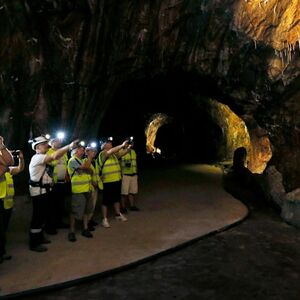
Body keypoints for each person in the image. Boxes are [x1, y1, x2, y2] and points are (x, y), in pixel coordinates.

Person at [28, 135, 78, 252]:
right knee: (37, 217)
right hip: (38, 192)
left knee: (41, 216)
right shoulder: (37, 157)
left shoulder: (41, 156)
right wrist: (69, 146)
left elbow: (56, 156)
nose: (47, 145)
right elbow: (55, 155)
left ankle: (39, 238)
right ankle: (34, 242)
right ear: (38, 147)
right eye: (45, 144)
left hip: (43, 191)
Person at [97, 137, 130, 228]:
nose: (111, 144)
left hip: (116, 180)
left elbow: (123, 153)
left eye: (111, 143)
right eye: (109, 143)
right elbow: (110, 152)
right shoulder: (102, 154)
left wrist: (128, 147)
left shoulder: (114, 154)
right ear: (104, 146)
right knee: (106, 201)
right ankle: (104, 219)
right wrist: (122, 145)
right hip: (107, 181)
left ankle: (118, 214)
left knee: (116, 198)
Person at [0, 150, 24, 263]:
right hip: (1, 203)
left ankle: (2, 252)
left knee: (3, 230)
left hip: (7, 204)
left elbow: (20, 168)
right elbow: (7, 164)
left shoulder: (7, 170)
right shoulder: (4, 169)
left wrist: (21, 159)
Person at [67, 144, 95, 242]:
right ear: (75, 151)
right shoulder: (72, 160)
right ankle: (71, 231)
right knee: (75, 212)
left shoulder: (83, 161)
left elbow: (90, 171)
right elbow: (86, 167)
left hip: (87, 189)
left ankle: (85, 228)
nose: (83, 151)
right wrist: (90, 157)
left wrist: (87, 166)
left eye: (83, 149)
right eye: (81, 149)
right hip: (78, 190)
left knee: (86, 211)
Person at [46, 137, 70, 232]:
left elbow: (66, 164)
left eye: (60, 141)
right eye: (56, 141)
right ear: (51, 143)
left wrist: (67, 175)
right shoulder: (49, 152)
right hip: (53, 182)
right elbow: (50, 164)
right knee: (52, 205)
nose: (59, 142)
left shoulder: (63, 152)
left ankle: (59, 222)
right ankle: (51, 226)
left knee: (60, 203)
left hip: (62, 182)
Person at [0, 136, 14, 263]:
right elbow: (3, 169)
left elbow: (10, 162)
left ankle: (1, 253)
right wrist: (4, 165)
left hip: (1, 197)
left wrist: (2, 146)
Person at [85, 144, 103, 231]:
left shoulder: (95, 161)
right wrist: (93, 183)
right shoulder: (85, 161)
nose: (94, 153)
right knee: (89, 205)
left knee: (93, 205)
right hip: (89, 186)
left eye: (95, 151)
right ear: (87, 152)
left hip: (95, 186)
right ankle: (87, 223)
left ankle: (90, 220)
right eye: (92, 151)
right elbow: (86, 174)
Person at [120, 137, 140, 212]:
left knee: (132, 191)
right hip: (125, 174)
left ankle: (132, 206)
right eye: (127, 143)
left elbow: (135, 163)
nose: (129, 144)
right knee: (124, 192)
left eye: (130, 143)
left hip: (134, 174)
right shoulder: (121, 152)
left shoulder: (133, 152)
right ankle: (123, 207)